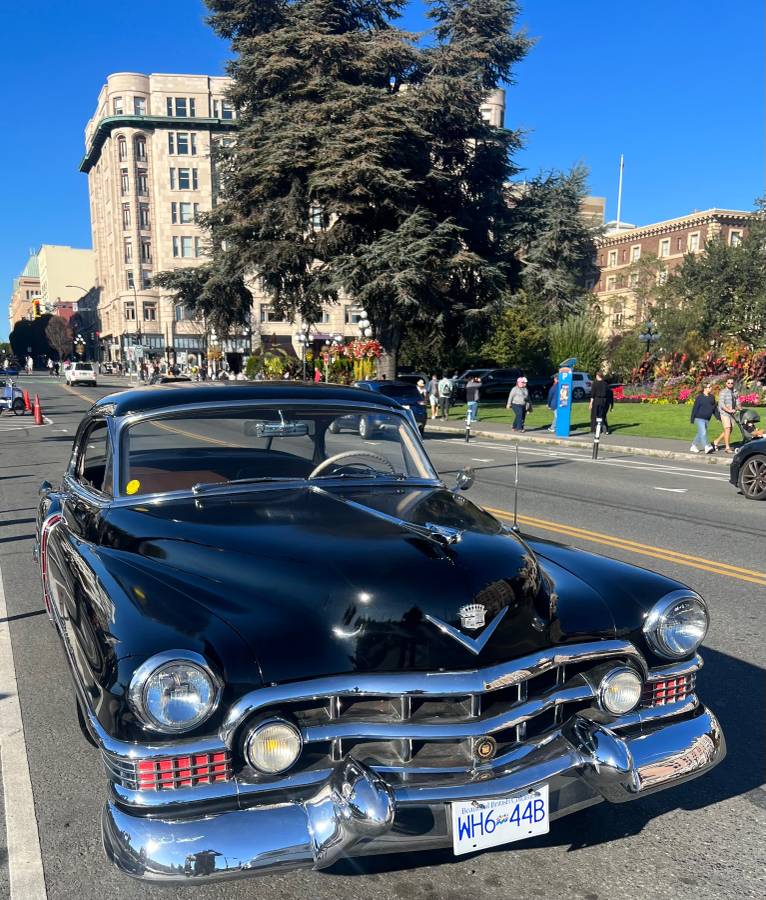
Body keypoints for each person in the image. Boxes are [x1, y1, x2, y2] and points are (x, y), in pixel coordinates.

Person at [711, 376, 740, 453]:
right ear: (726, 383)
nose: (730, 384)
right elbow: (721, 405)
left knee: (729, 430)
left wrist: (739, 407)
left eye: (732, 383)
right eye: (728, 383)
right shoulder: (723, 392)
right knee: (727, 428)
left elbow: (737, 400)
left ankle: (716, 442)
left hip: (732, 413)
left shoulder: (735, 391)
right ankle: (727, 448)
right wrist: (729, 410)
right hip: (724, 413)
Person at [689, 384, 716, 454]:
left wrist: (718, 417)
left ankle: (693, 446)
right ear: (705, 388)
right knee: (703, 432)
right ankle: (706, 447)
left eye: (711, 387)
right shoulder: (699, 397)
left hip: (707, 419)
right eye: (709, 387)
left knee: (700, 433)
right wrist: (692, 418)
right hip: (699, 418)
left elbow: (714, 409)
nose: (711, 388)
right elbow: (695, 408)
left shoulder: (712, 397)